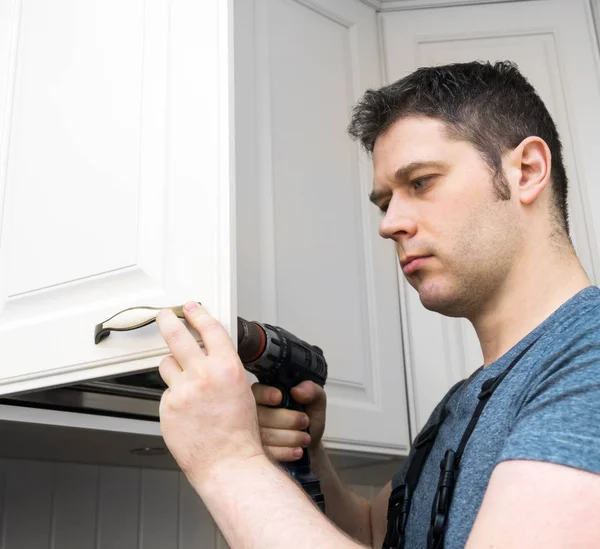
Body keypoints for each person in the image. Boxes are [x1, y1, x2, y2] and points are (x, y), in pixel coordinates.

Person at [155, 60, 600, 549]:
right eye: (385, 201)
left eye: (421, 182)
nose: (389, 223)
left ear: (527, 171)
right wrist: (308, 454)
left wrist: (225, 461)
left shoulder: (588, 357)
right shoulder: (463, 403)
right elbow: (374, 534)